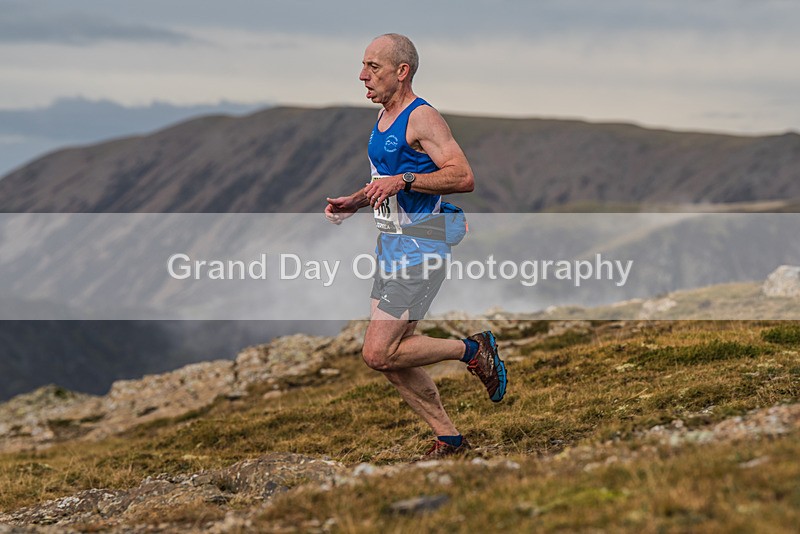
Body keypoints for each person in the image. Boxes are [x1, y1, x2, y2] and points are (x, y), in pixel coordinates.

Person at [325, 33, 507, 458]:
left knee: (378, 352)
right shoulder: (384, 117)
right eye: (364, 66)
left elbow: (463, 177)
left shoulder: (422, 117)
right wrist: (356, 201)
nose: (362, 76)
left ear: (401, 71)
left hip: (422, 244)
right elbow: (385, 177)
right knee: (393, 357)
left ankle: (473, 350)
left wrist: (405, 181)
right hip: (391, 246)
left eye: (373, 68)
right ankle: (450, 438)